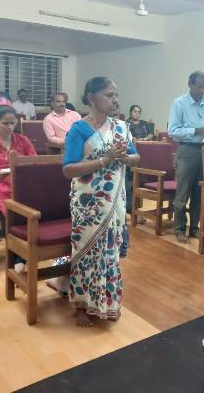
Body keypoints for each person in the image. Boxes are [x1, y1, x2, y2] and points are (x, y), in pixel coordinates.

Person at [62, 77, 139, 327]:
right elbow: (68, 169)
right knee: (85, 253)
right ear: (91, 97)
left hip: (114, 201)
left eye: (116, 95)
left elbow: (136, 156)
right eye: (109, 95)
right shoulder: (79, 129)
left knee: (109, 253)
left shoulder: (121, 127)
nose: (115, 100)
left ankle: (107, 303)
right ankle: (81, 306)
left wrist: (126, 158)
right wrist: (105, 160)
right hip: (88, 203)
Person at [168, 71, 204, 243]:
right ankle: (179, 229)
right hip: (187, 151)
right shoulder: (179, 103)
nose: (202, 90)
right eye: (199, 87)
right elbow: (173, 131)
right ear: (190, 85)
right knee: (183, 192)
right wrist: (196, 130)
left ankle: (195, 228)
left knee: (199, 192)